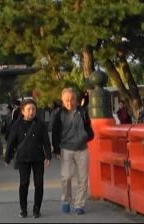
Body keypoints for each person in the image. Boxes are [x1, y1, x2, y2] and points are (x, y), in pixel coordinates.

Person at [49, 87, 94, 215]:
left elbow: (88, 126)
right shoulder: (59, 114)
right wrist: (56, 149)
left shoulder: (82, 112)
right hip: (66, 148)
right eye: (67, 100)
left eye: (73, 99)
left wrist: (88, 136)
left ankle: (79, 204)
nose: (70, 102)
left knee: (83, 178)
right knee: (66, 177)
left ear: (76, 100)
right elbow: (55, 132)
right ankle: (65, 200)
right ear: (62, 100)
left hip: (82, 148)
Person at [6, 100, 52, 219]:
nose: (31, 112)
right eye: (29, 109)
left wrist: (48, 156)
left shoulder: (40, 124)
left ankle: (37, 209)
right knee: (24, 183)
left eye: (34, 109)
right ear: (23, 111)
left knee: (39, 183)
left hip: (38, 158)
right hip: (23, 159)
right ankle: (23, 208)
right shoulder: (17, 125)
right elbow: (11, 142)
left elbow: (46, 141)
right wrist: (7, 157)